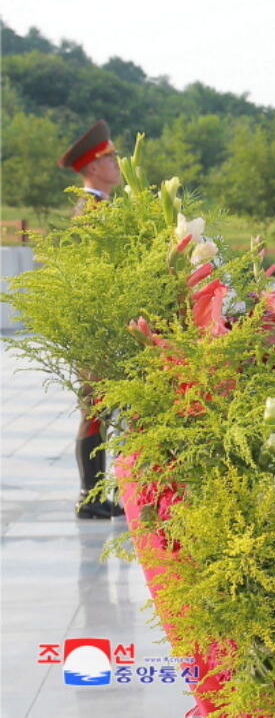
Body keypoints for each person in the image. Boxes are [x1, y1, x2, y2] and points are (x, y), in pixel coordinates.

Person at [59, 120, 123, 518]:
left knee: (100, 409)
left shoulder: (102, 206)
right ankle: (90, 499)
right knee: (95, 408)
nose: (117, 163)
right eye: (110, 157)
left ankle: (97, 496)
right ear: (92, 167)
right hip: (96, 327)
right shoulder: (92, 210)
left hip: (103, 324)